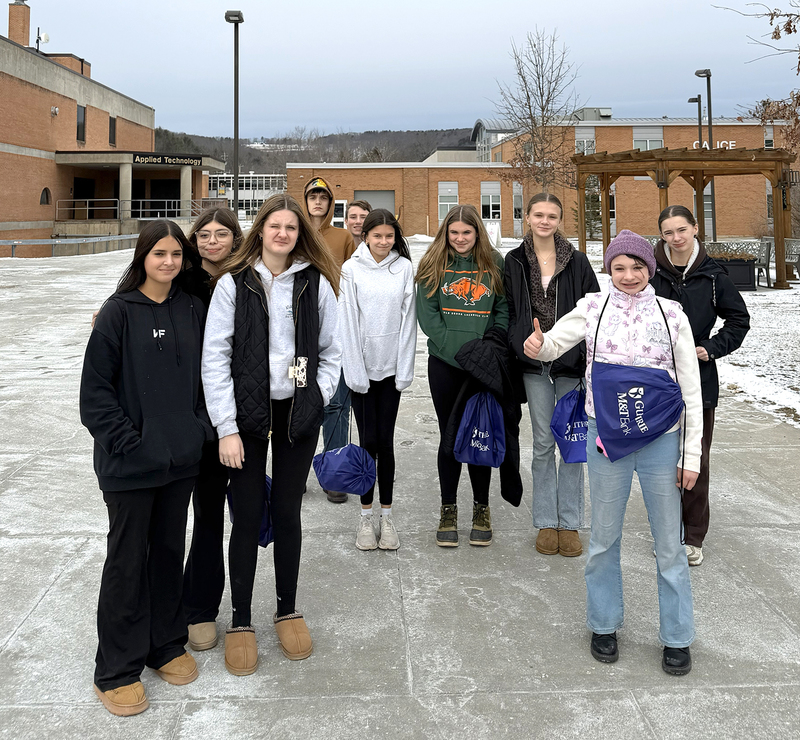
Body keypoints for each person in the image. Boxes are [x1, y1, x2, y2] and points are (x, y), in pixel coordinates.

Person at [524, 230, 702, 675]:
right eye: (619, 267)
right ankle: (604, 624)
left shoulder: (672, 315)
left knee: (669, 545)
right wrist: (537, 345)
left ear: (650, 269)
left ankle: (677, 637)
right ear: (609, 270)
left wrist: (691, 455)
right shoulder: (592, 308)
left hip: (661, 441)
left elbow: (691, 390)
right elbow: (554, 343)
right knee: (604, 540)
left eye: (637, 267)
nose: (628, 276)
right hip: (606, 440)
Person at [202, 193, 341, 675]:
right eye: (274, 226)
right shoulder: (234, 285)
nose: (283, 234)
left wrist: (316, 399)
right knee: (245, 515)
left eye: (291, 227)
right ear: (259, 230)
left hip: (296, 416)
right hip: (244, 420)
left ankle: (286, 607)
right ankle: (241, 619)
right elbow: (215, 359)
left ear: (301, 234)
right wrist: (226, 428)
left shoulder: (314, 284)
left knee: (286, 511)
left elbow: (332, 351)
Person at [80, 220, 212, 716]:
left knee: (166, 555)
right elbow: (95, 396)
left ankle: (164, 644)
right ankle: (115, 668)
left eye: (177, 254)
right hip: (129, 467)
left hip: (179, 463)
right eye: (160, 253)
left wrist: (197, 431)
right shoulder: (117, 314)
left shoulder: (192, 309)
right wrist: (131, 445)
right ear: (142, 257)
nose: (169, 262)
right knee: (127, 562)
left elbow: (207, 377)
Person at [651, 205, 750, 566]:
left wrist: (710, 348)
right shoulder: (649, 271)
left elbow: (739, 321)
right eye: (668, 233)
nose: (676, 238)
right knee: (659, 459)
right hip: (656, 381)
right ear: (661, 236)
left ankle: (692, 536)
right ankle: (665, 531)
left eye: (682, 230)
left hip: (699, 380)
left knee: (695, 458)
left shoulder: (713, 275)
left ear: (695, 228)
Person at [504, 193, 599, 557]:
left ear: (560, 220)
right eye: (538, 214)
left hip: (569, 365)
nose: (545, 221)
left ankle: (570, 522)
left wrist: (588, 362)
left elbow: (592, 311)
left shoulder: (577, 262)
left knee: (571, 442)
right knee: (543, 443)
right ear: (527, 217)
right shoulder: (513, 261)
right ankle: (546, 520)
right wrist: (521, 343)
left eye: (552, 216)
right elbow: (509, 310)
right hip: (531, 364)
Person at [416, 204, 509, 547]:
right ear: (445, 233)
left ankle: (482, 507)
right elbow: (428, 316)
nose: (459, 239)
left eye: (466, 233)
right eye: (454, 233)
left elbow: (502, 309)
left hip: (483, 365)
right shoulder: (433, 264)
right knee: (450, 435)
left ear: (477, 233)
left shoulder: (494, 263)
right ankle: (448, 508)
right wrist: (456, 350)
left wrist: (489, 347)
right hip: (446, 364)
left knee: (479, 433)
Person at [180, 208, 244, 653]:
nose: (212, 241)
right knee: (204, 514)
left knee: (240, 515)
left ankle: (234, 608)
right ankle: (197, 608)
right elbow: (135, 296)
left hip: (243, 415)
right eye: (204, 234)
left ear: (236, 239)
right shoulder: (180, 281)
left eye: (222, 234)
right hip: (194, 415)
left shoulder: (249, 279)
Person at [339, 208, 416, 550]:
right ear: (365, 236)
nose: (384, 242)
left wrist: (403, 369)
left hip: (390, 371)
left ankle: (387, 516)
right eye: (377, 236)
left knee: (385, 442)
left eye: (389, 236)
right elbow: (347, 324)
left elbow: (408, 322)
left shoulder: (404, 268)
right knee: (367, 442)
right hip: (361, 371)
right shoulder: (351, 269)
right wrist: (354, 372)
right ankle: (365, 517)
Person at [303, 177, 356, 503]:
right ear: (305, 200)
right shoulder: (294, 235)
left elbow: (354, 282)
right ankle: (295, 473)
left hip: (336, 331)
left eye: (324, 196)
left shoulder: (344, 238)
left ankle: (335, 473)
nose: (318, 202)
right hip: (299, 332)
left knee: (336, 403)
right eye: (313, 196)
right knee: (299, 404)